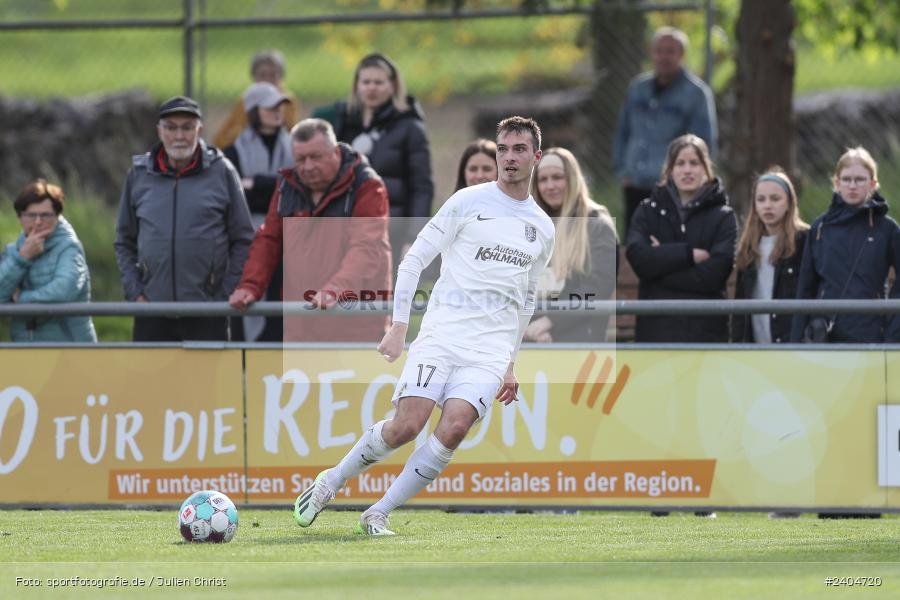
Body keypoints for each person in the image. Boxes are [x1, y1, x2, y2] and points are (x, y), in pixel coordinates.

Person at [291, 116, 554, 535]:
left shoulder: (542, 227)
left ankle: (379, 512)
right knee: (406, 426)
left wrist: (510, 363)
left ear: (536, 156)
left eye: (519, 149)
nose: (508, 158)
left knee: (453, 429)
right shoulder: (468, 202)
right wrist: (398, 327)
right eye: (503, 149)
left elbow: (525, 297)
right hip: (442, 335)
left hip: (488, 352)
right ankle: (332, 481)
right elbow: (413, 260)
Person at [228, 118, 392, 342]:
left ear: (335, 151)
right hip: (302, 320)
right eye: (300, 159)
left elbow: (366, 248)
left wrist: (336, 289)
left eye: (315, 157)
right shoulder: (287, 186)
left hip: (356, 321)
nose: (307, 167)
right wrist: (250, 286)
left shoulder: (367, 186)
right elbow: (269, 240)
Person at [114, 96, 254, 342]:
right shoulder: (138, 175)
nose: (179, 135)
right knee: (152, 381)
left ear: (199, 130)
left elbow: (243, 239)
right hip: (152, 311)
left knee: (208, 382)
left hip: (208, 313)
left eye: (187, 127)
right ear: (159, 131)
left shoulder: (222, 171)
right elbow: (124, 241)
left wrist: (224, 294)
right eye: (171, 127)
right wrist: (136, 293)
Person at [318, 52, 433, 259]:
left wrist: (414, 237)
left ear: (393, 86)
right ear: (357, 86)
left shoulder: (410, 127)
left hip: (390, 232)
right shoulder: (342, 123)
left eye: (379, 82)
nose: (371, 87)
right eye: (366, 82)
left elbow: (421, 186)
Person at [625, 134, 736, 343]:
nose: (687, 170)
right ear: (670, 170)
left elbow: (715, 273)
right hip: (656, 334)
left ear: (706, 169)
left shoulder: (724, 216)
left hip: (706, 335)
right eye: (680, 163)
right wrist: (689, 255)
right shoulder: (648, 211)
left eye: (694, 163)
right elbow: (639, 258)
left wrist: (660, 264)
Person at [613, 26, 718, 237]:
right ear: (652, 53)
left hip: (673, 189)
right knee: (634, 244)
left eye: (671, 51)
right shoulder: (637, 88)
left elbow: (703, 143)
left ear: (681, 55)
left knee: (669, 247)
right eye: (659, 50)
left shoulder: (696, 94)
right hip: (635, 182)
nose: (664, 56)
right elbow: (623, 132)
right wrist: (622, 169)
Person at [791, 146, 900, 343]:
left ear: (873, 184)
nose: (852, 185)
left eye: (859, 180)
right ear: (837, 183)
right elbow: (806, 287)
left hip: (872, 334)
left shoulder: (888, 229)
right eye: (847, 179)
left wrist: (892, 332)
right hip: (824, 336)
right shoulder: (819, 228)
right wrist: (797, 340)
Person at [524, 147, 618, 343]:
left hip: (582, 334)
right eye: (543, 179)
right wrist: (529, 327)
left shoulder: (597, 224)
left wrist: (550, 321)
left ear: (573, 179)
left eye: (558, 177)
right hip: (531, 334)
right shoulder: (531, 225)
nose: (550, 186)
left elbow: (597, 287)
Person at [223, 81, 294, 342]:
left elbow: (298, 187)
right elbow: (237, 196)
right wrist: (278, 184)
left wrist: (258, 183)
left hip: (291, 240)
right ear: (254, 110)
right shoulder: (232, 152)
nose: (277, 111)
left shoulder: (297, 146)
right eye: (270, 106)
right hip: (248, 239)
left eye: (280, 106)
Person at [0, 179, 97, 342]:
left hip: (68, 348)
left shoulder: (69, 248)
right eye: (31, 215)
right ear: (20, 217)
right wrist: (22, 258)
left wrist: (21, 298)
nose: (38, 222)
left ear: (57, 216)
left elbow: (63, 291)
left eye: (45, 215)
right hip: (24, 348)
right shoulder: (14, 251)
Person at [732, 168, 809, 343]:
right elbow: (740, 307)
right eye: (761, 199)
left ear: (789, 202)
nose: (767, 205)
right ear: (755, 206)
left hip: (793, 345)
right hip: (756, 348)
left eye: (775, 199)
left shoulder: (804, 240)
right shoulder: (749, 246)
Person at [213, 49, 301, 149]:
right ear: (254, 76)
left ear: (281, 76)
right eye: (262, 75)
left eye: (273, 75)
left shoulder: (288, 101)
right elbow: (220, 139)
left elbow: (292, 133)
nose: (267, 80)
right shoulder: (245, 100)